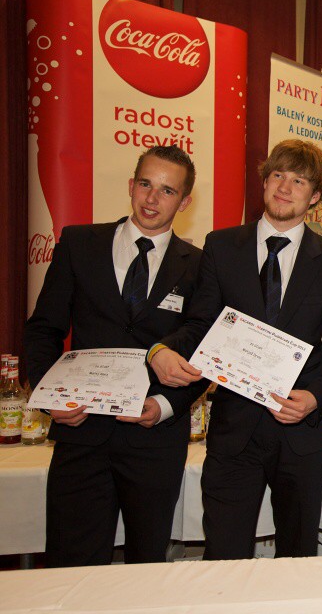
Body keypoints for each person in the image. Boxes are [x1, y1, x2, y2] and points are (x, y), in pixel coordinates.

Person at [149, 139, 322, 559]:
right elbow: (201, 324)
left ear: (316, 197)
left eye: (299, 181)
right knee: (223, 557)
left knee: (298, 558)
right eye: (278, 175)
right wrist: (160, 350)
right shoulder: (222, 246)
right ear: (264, 182)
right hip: (234, 431)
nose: (285, 187)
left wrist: (315, 396)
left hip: (300, 432)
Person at [24, 145, 204, 567]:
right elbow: (44, 329)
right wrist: (50, 399)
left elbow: (203, 350)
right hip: (81, 433)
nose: (152, 199)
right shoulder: (79, 243)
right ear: (130, 185)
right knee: (70, 568)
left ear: (184, 201)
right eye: (145, 184)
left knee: (145, 566)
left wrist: (164, 406)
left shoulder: (199, 265)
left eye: (167, 191)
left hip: (154, 440)